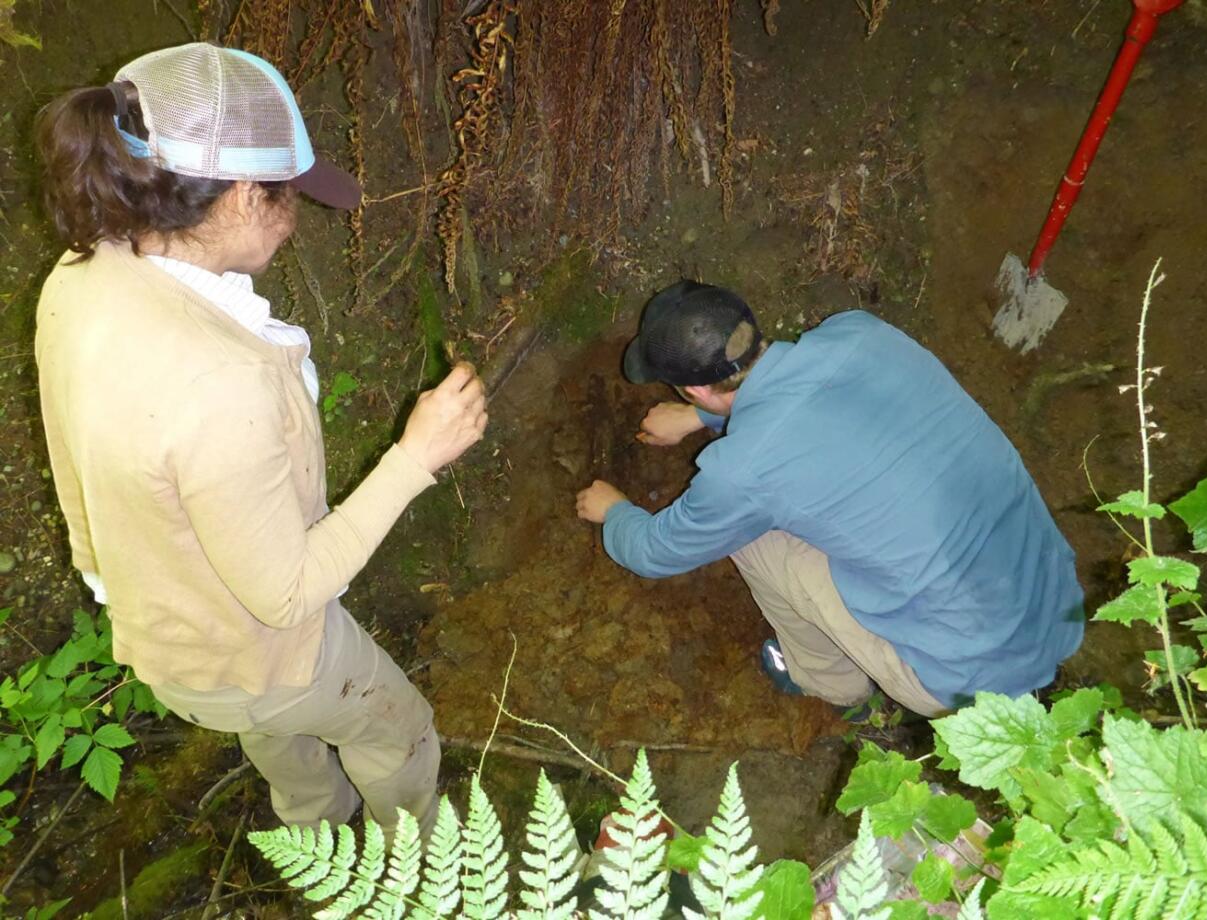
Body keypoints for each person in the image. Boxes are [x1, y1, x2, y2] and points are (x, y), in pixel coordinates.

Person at [33, 43, 487, 836]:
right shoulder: (220, 380)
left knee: (278, 735)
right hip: (265, 646)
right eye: (288, 197)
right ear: (242, 196)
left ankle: (314, 840)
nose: (294, 218)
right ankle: (418, 872)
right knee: (398, 730)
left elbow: (74, 466)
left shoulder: (82, 277)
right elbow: (285, 595)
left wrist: (107, 579)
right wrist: (417, 456)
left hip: (173, 634)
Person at [575, 280, 1083, 717]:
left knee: (751, 537)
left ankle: (829, 682)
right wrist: (701, 418)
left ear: (694, 389)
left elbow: (655, 552)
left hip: (963, 681)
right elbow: (811, 400)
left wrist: (614, 512)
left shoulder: (741, 472)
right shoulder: (862, 334)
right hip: (1054, 603)